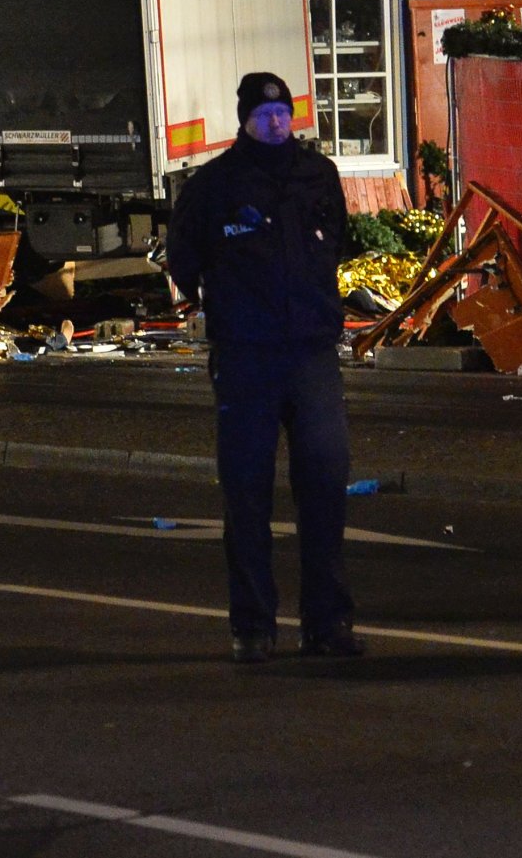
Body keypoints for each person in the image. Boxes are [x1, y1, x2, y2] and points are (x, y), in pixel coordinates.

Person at [167, 72, 361, 665]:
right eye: (265, 116)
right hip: (248, 356)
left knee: (325, 492)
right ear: (245, 120)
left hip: (311, 354)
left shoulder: (316, 176)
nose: (277, 125)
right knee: (247, 495)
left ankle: (326, 625)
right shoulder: (216, 185)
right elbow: (184, 260)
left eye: (284, 115)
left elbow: (340, 244)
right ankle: (253, 626)